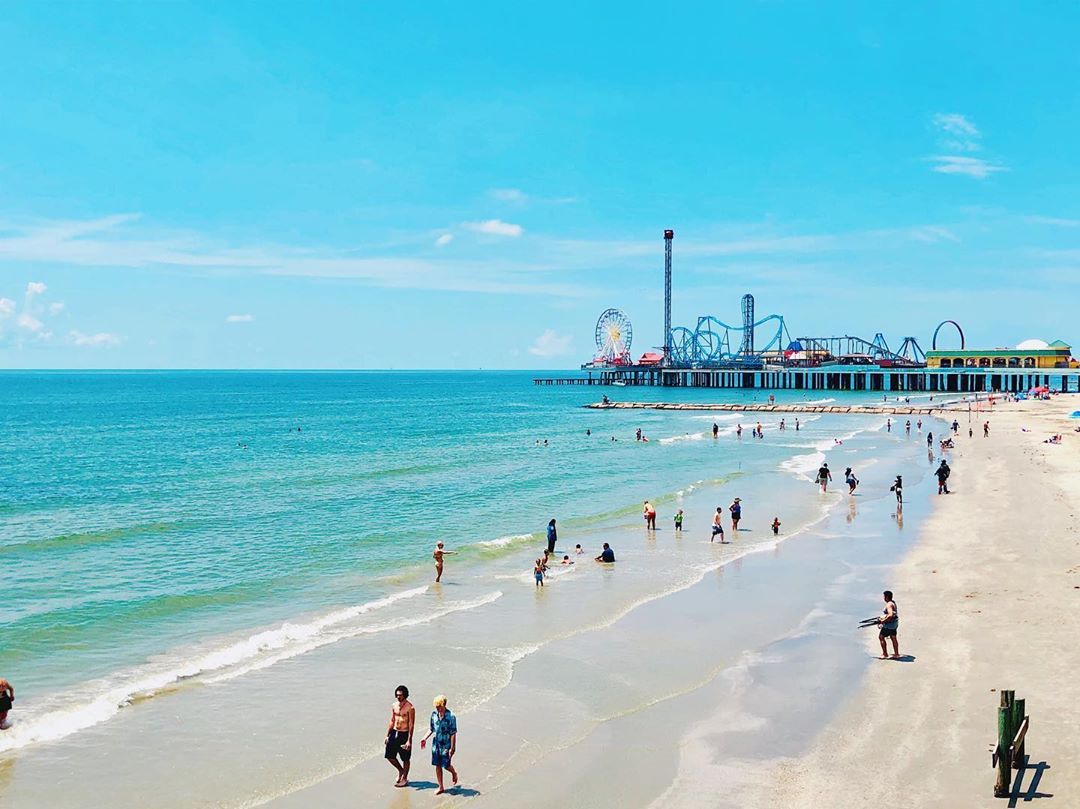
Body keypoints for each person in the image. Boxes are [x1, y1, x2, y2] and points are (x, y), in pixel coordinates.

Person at [421, 695, 459, 795]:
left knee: (446, 765)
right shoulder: (434, 715)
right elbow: (431, 728)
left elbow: (453, 732)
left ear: (444, 705)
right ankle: (441, 786)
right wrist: (424, 738)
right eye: (436, 706)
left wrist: (452, 747)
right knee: (437, 765)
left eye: (439, 706)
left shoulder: (451, 716)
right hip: (436, 744)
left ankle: (454, 773)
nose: (437, 708)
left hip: (446, 745)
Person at [384, 685, 415, 787]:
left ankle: (405, 778)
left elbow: (411, 724)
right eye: (397, 695)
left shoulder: (410, 707)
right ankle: (401, 771)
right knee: (389, 755)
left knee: (405, 758)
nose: (398, 697)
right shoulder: (394, 705)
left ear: (405, 695)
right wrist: (387, 735)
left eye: (400, 695)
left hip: (404, 734)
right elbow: (392, 720)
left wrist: (409, 740)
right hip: (394, 732)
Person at [877, 590, 900, 660]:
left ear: (886, 597)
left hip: (889, 625)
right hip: (894, 624)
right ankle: (896, 654)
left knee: (881, 637)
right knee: (893, 637)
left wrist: (883, 621)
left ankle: (885, 654)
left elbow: (890, 615)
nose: (883, 598)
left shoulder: (889, 604)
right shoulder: (893, 602)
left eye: (884, 596)